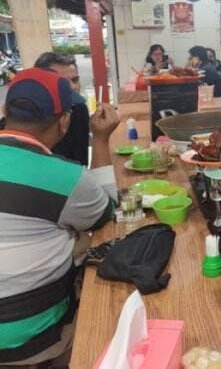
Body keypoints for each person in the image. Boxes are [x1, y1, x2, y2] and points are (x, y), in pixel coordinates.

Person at [0, 68, 119, 366]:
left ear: (5, 111)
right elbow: (105, 215)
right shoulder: (65, 178)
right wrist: (101, 140)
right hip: (30, 341)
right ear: (64, 121)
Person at [34, 52, 90, 166]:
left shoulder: (79, 110)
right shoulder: (26, 118)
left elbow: (80, 164)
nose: (73, 87)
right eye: (62, 82)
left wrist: (100, 137)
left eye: (75, 80)